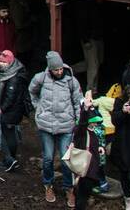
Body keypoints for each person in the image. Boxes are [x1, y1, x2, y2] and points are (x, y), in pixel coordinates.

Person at [31, 50, 83, 207]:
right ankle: (48, 184)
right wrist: (38, 108)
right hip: (46, 125)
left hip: (66, 125)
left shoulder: (71, 81)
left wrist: (78, 120)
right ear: (50, 69)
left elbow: (77, 101)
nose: (59, 72)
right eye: (56, 70)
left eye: (60, 69)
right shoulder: (40, 78)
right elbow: (32, 92)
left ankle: (69, 188)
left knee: (66, 160)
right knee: (47, 158)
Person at [0, 50, 27, 173]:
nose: (1, 64)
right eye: (0, 61)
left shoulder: (14, 78)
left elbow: (10, 98)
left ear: (10, 62)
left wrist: (0, 109)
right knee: (7, 133)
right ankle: (10, 158)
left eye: (4, 62)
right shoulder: (5, 73)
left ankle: (10, 159)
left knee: (8, 133)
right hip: (8, 110)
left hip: (12, 111)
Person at [72, 99, 108, 210]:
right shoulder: (81, 132)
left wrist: (99, 148)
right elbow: (82, 123)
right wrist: (85, 109)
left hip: (91, 171)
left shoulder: (92, 132)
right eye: (93, 121)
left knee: (82, 197)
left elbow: (94, 145)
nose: (96, 123)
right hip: (85, 172)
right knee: (81, 199)